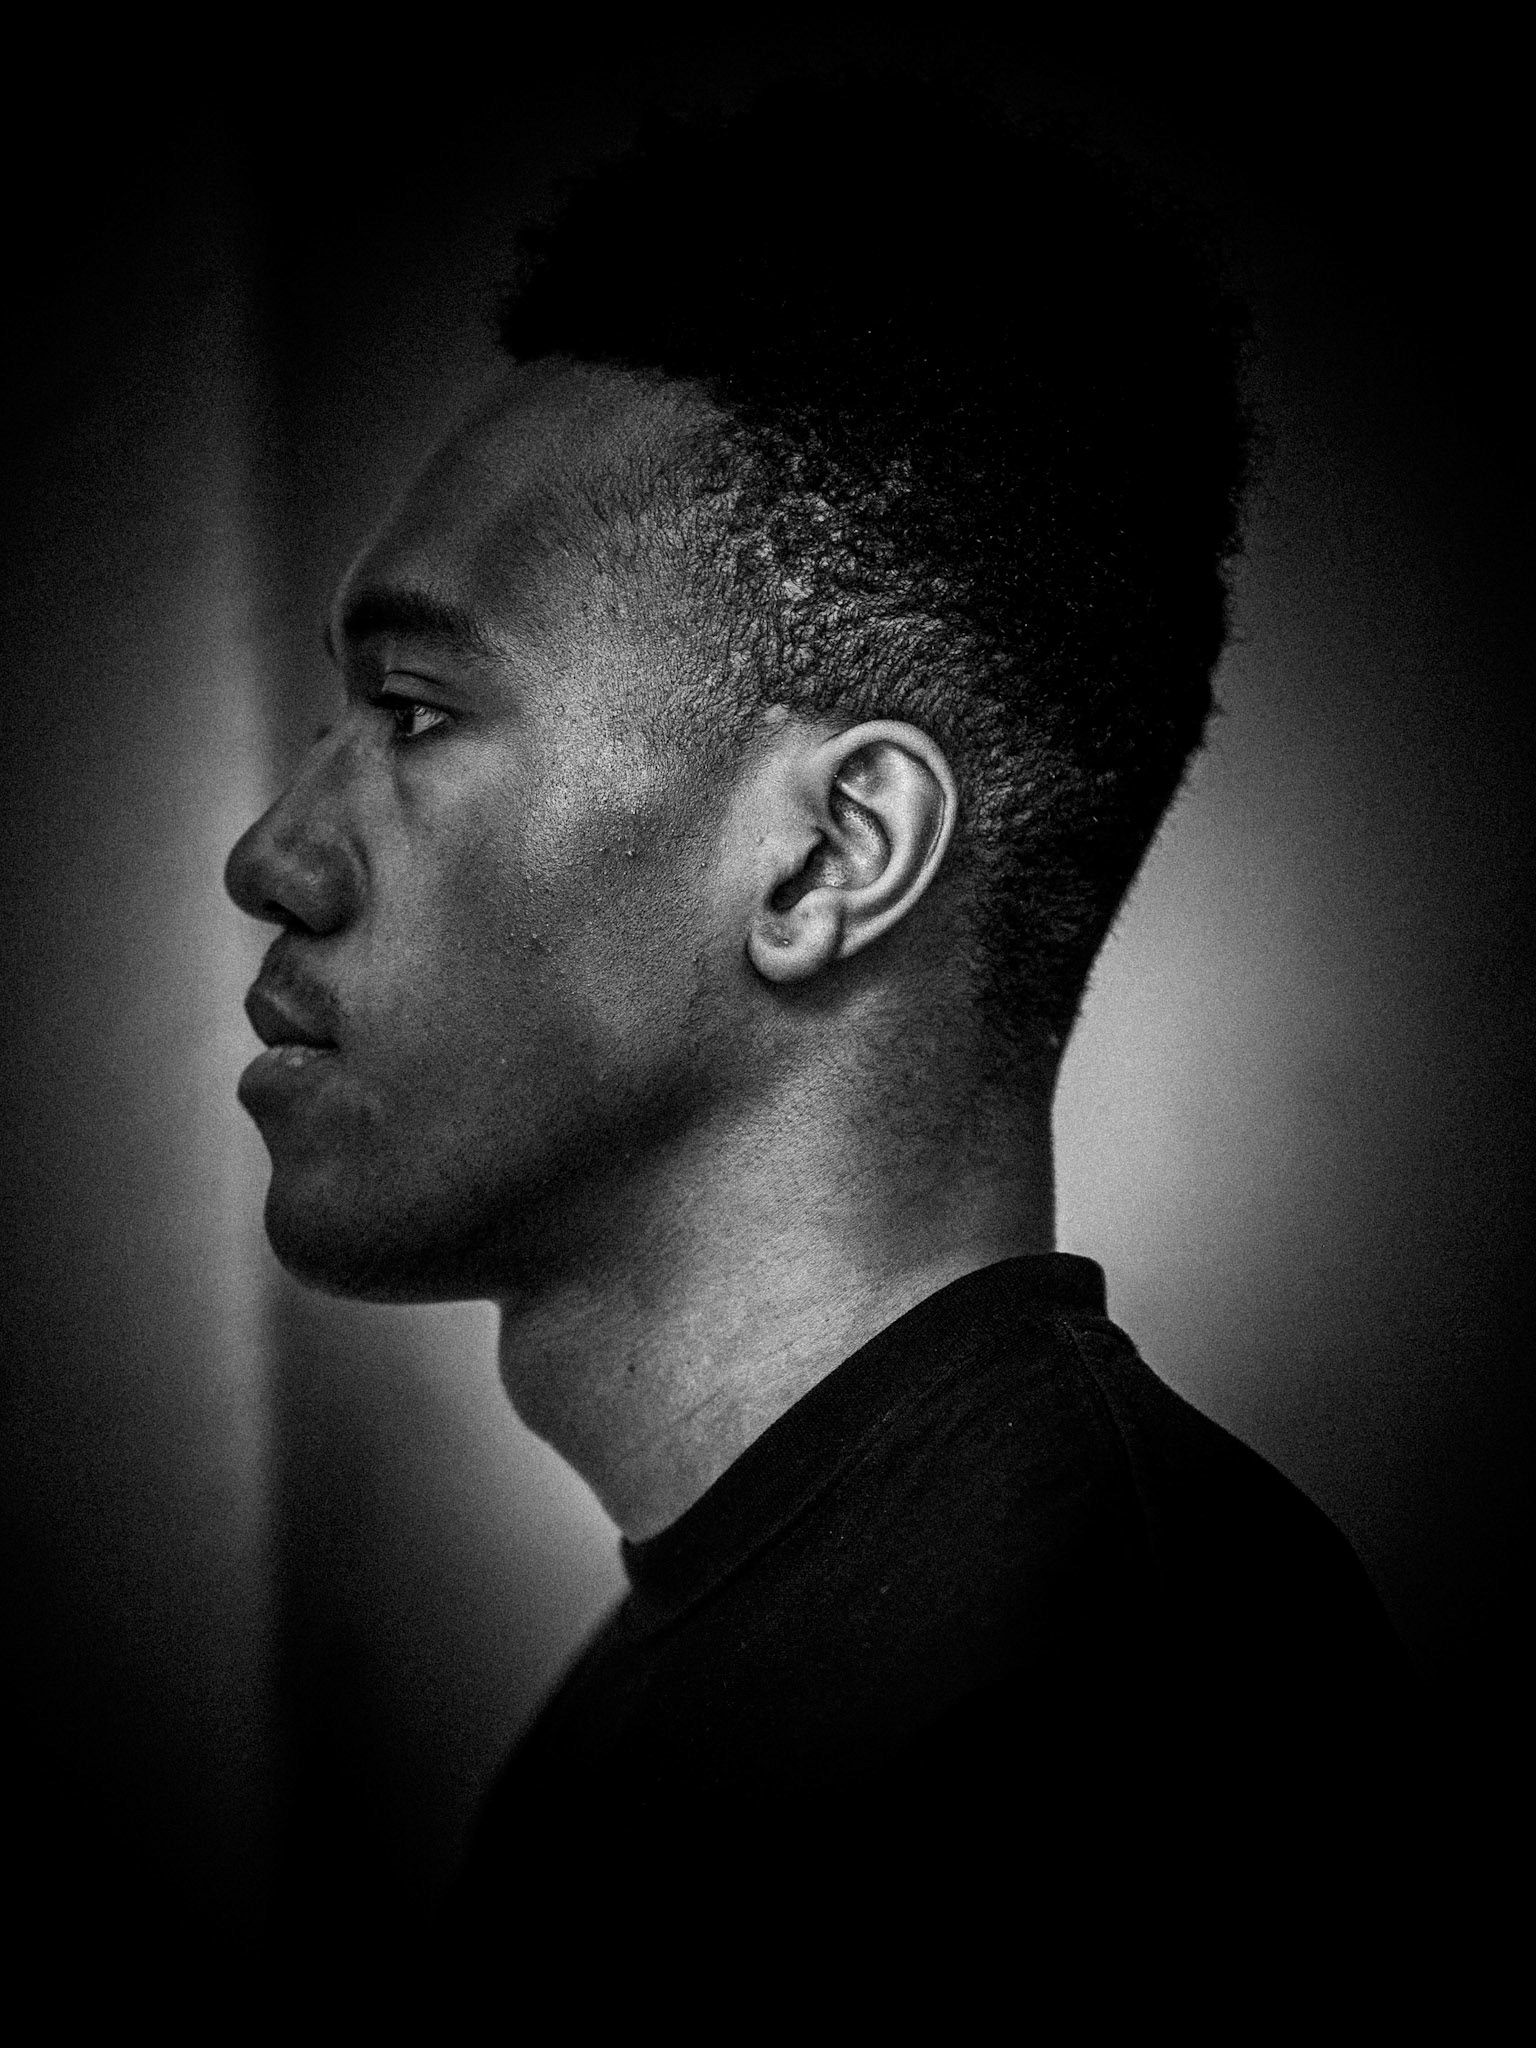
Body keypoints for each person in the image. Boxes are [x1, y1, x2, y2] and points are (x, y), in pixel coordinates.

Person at [225, 76, 1427, 1995]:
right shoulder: (721, 1670)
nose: (273, 856)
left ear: (828, 858)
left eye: (420, 715)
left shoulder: (1112, 1725)